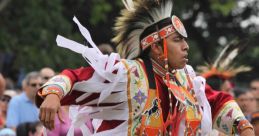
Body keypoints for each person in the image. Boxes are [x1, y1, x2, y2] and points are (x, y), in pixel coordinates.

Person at [36, 0, 254, 135]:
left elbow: (216, 101)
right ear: (157, 47)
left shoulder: (186, 80)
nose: (186, 47)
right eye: (177, 40)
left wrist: (243, 125)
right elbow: (75, 76)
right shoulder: (125, 75)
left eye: (185, 40)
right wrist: (53, 94)